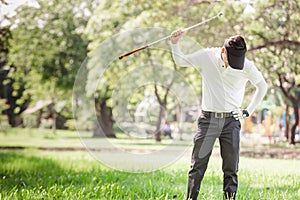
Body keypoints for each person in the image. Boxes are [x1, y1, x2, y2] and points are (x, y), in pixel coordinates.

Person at [170, 30, 268, 200]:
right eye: (232, 60)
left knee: (231, 169)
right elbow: (180, 60)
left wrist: (247, 111)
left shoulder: (246, 65)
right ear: (223, 52)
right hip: (208, 120)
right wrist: (175, 43)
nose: (234, 65)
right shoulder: (207, 56)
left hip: (231, 122)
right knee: (197, 166)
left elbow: (262, 86)